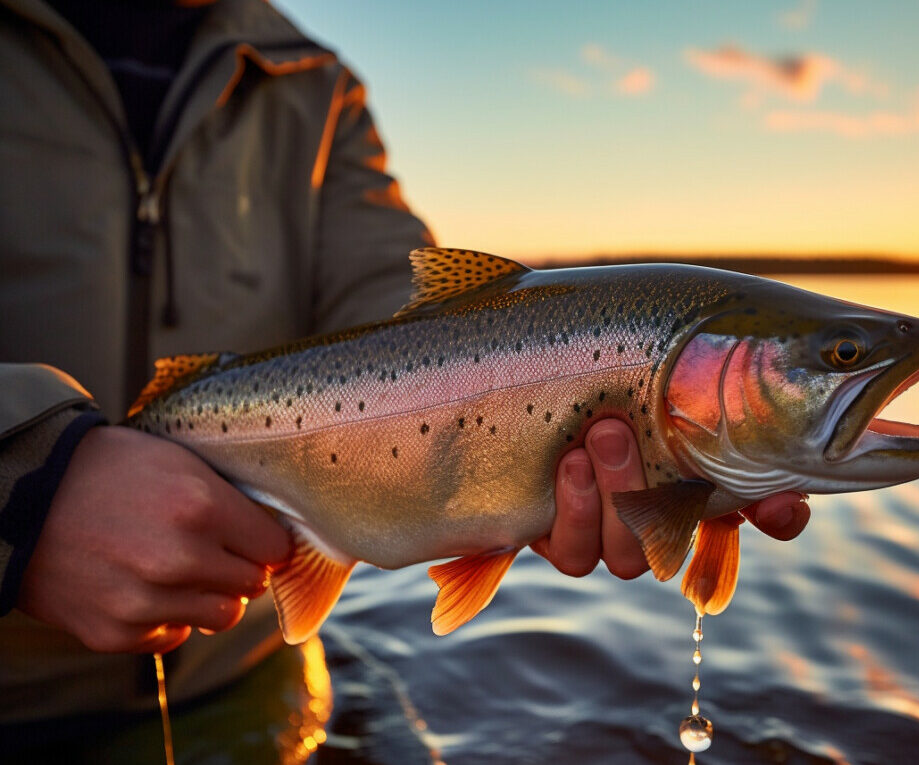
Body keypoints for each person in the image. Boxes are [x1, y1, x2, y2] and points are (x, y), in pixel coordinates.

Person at [0, 0, 810, 758]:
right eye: (837, 359)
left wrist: (524, 409)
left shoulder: (316, 85)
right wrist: (27, 479)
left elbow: (395, 299)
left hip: (243, 673)